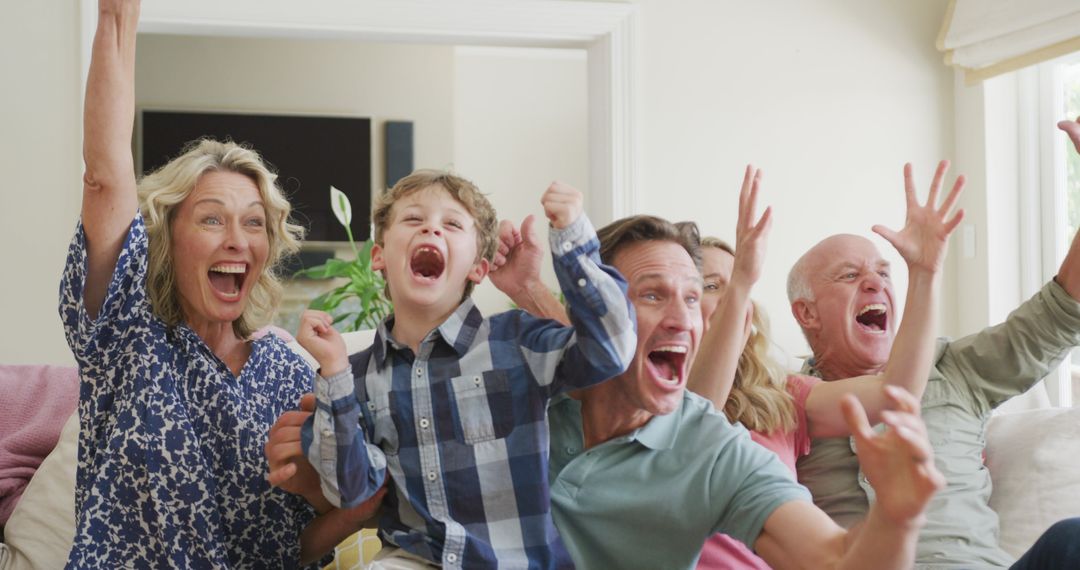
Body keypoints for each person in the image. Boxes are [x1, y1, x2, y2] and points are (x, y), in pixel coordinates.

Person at [493, 169, 945, 569]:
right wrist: (530, 283)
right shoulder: (531, 388)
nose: (682, 318)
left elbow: (835, 559)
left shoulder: (709, 443)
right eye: (652, 294)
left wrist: (895, 519)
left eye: (691, 297)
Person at [62, 1, 375, 566]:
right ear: (166, 236)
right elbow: (105, 177)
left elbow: (298, 547)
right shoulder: (130, 334)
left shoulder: (289, 372)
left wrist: (317, 491)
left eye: (253, 222)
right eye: (211, 218)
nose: (237, 239)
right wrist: (115, 17)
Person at [284, 172, 636, 568]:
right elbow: (349, 490)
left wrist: (572, 238)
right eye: (413, 220)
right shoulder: (352, 377)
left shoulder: (516, 343)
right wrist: (333, 373)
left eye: (452, 224)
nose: (432, 227)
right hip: (413, 560)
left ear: (478, 268)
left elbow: (612, 350)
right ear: (378, 256)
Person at [788, 121, 1080, 568]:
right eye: (850, 275)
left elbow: (1058, 315)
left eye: (884, 273)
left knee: (1071, 539)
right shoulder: (780, 404)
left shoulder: (954, 369)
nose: (875, 283)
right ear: (805, 314)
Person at [688, 163, 963, 569]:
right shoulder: (650, 404)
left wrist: (925, 274)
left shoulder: (781, 395)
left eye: (741, 282)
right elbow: (693, 423)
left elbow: (897, 392)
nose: (734, 296)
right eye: (713, 285)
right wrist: (743, 281)